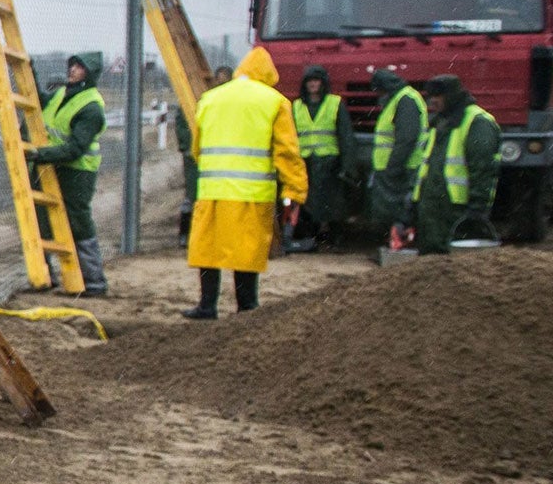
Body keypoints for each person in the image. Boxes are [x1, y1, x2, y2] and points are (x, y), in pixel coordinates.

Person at [182, 47, 307, 319]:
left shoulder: (210, 98)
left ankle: (206, 306)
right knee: (246, 251)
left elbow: (197, 148)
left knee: (208, 249)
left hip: (212, 190)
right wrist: (295, 190)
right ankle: (246, 307)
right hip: (251, 193)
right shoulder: (274, 101)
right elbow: (287, 152)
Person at [27, 51, 109, 296]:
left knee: (77, 221)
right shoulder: (63, 93)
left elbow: (75, 149)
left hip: (77, 173)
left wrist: (39, 155)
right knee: (41, 218)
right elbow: (40, 100)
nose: (73, 70)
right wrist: (28, 72)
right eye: (72, 65)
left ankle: (94, 282)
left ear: (89, 73)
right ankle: (45, 276)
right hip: (53, 166)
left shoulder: (91, 108)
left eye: (79, 67)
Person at [408, 75, 500, 254]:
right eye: (431, 96)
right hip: (433, 210)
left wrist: (477, 208)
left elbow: (483, 169)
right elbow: (424, 167)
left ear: (451, 95)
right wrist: (412, 202)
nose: (433, 101)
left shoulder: (477, 122)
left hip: (457, 211)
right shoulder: (440, 122)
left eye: (438, 96)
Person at [288, 64, 356, 251]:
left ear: (323, 83)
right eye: (309, 81)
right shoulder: (297, 106)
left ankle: (334, 240)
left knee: (332, 204)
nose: (313, 84)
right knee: (307, 203)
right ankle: (311, 240)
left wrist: (347, 165)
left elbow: (345, 136)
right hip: (305, 162)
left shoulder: (334, 103)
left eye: (316, 80)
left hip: (329, 163)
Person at [367, 67, 426, 234]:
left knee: (399, 213)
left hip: (402, 168)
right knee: (397, 212)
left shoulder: (404, 100)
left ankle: (399, 243)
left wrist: (394, 166)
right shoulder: (402, 98)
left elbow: (407, 138)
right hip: (396, 166)